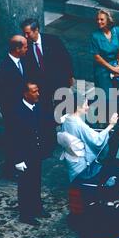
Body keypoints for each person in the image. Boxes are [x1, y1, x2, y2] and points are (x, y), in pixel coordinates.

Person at [20, 18, 74, 157]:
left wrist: (69, 77)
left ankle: (69, 139)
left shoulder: (52, 41)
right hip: (41, 86)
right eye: (24, 33)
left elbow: (65, 58)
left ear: (36, 30)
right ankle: (50, 143)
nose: (26, 36)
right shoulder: (26, 48)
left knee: (64, 111)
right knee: (45, 114)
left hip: (58, 82)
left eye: (28, 33)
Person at [10, 82, 50, 225]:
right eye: (34, 92)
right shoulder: (17, 112)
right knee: (25, 185)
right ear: (25, 94)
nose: (37, 94)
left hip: (35, 153)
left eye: (38, 90)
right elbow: (14, 137)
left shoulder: (37, 107)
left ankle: (37, 207)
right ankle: (25, 214)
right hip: (24, 155)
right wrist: (18, 159)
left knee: (36, 182)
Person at [57, 91, 118, 184]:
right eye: (85, 104)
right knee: (111, 168)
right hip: (82, 169)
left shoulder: (67, 119)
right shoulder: (78, 124)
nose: (88, 107)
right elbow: (97, 140)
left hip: (71, 163)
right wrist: (111, 125)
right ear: (78, 107)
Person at [0, 35, 29, 179]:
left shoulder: (22, 62)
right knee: (12, 138)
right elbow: (2, 93)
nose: (27, 49)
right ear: (17, 49)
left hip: (21, 108)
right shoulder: (6, 67)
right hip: (12, 110)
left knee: (20, 137)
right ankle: (11, 168)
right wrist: (10, 111)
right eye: (25, 47)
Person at [90, 9, 119, 98]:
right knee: (105, 95)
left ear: (108, 20)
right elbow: (97, 56)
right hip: (102, 69)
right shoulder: (95, 36)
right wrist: (112, 68)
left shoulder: (117, 31)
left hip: (116, 65)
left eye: (102, 19)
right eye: (97, 19)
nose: (99, 22)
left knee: (118, 93)